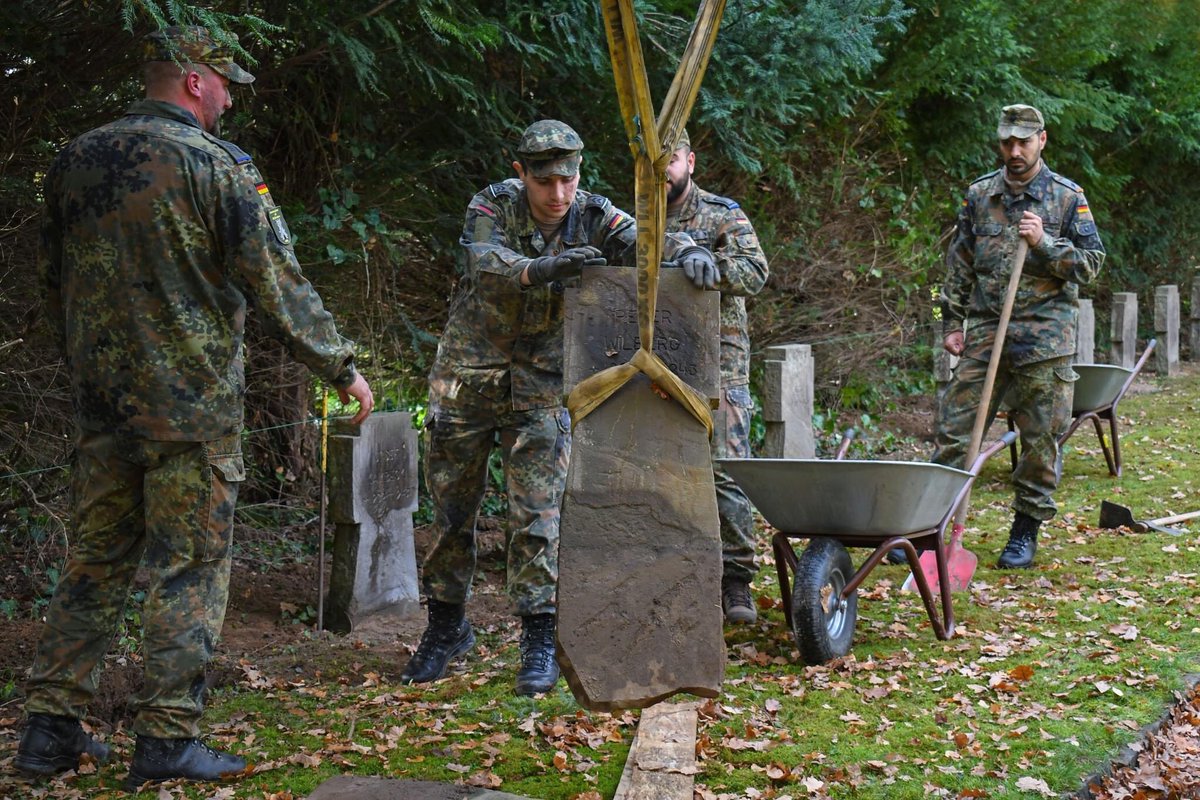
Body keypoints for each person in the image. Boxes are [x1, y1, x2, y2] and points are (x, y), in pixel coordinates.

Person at [16, 26, 373, 790]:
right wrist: (339, 366)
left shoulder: (74, 160)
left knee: (94, 562)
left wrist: (89, 363)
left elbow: (52, 282)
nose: (233, 95)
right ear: (192, 81)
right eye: (225, 81)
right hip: (191, 410)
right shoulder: (215, 167)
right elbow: (274, 278)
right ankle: (167, 736)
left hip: (102, 406)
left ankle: (47, 734)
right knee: (189, 566)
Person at [402, 119, 712, 695]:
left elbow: (648, 236)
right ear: (522, 174)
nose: (559, 194)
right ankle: (446, 628)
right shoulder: (492, 205)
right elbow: (481, 259)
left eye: (568, 180)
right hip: (468, 379)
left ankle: (538, 638)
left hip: (543, 385)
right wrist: (539, 269)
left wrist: (689, 250)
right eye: (545, 182)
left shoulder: (593, 213)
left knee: (537, 517)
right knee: (451, 516)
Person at [934, 104, 1104, 569]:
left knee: (1039, 440)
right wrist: (953, 323)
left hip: (1044, 338)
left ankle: (1024, 531)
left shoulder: (1068, 198)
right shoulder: (980, 195)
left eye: (1022, 142)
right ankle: (931, 527)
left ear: (1041, 140)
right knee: (954, 429)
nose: (1013, 150)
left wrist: (1046, 243)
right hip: (987, 330)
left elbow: (1091, 265)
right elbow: (960, 262)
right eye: (1006, 141)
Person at [664, 129, 769, 624]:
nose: (664, 167)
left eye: (672, 158)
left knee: (726, 472)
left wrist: (711, 264)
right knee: (664, 474)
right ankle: (674, 574)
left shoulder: (722, 214)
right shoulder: (636, 220)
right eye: (654, 159)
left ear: (690, 160)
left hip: (719, 365)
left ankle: (736, 581)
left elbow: (755, 273)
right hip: (659, 363)